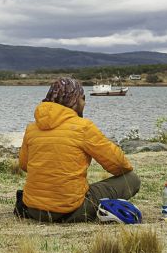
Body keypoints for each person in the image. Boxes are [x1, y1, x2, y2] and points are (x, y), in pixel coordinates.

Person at [16, 77, 140, 223]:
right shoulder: (83, 127)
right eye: (83, 98)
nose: (85, 103)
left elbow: (24, 165)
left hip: (33, 210)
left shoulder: (32, 128)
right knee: (132, 179)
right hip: (70, 211)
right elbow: (120, 165)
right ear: (74, 100)